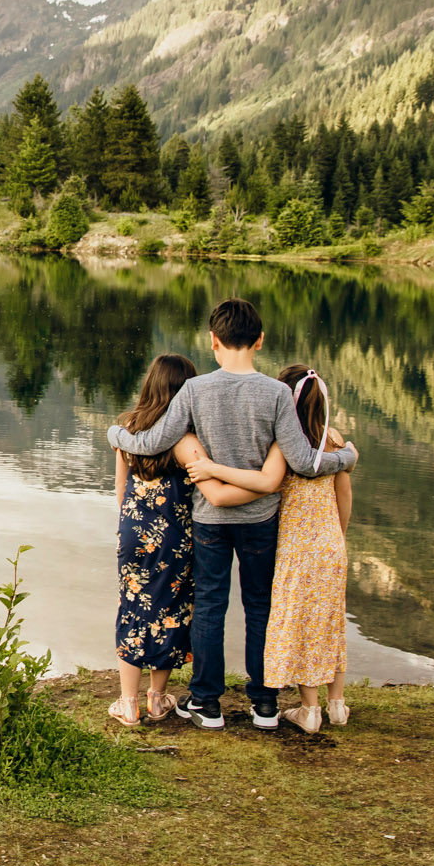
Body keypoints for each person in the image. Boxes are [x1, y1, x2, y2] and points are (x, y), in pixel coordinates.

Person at [106, 298, 358, 731]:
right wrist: (347, 458)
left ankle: (207, 703)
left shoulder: (195, 389)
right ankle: (265, 705)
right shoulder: (278, 393)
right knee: (260, 605)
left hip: (209, 520)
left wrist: (114, 432)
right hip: (262, 518)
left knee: (209, 606)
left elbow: (152, 441)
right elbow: (302, 460)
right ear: (259, 340)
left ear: (214, 340)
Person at [109, 353, 289, 726]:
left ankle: (133, 702)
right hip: (175, 534)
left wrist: (133, 520)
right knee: (173, 611)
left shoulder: (128, 430)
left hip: (133, 530)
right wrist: (268, 488)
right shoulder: (186, 440)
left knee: (134, 606)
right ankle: (159, 698)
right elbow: (215, 493)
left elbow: (120, 489)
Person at [188, 364, 356, 734]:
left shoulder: (282, 441)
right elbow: (339, 493)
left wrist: (213, 482)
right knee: (289, 613)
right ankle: (282, 702)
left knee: (224, 606)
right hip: (297, 536)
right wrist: (337, 535)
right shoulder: (330, 438)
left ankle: (214, 701)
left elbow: (272, 482)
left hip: (258, 535)